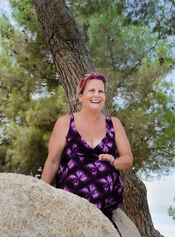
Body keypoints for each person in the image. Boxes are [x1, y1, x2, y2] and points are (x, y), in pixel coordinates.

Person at [41, 72, 133, 236]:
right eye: (91, 91)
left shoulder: (114, 124)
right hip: (72, 188)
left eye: (101, 91)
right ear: (81, 96)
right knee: (77, 165)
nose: (97, 95)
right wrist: (40, 193)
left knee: (103, 168)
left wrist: (113, 162)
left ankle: (93, 224)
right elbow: (53, 162)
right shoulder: (65, 122)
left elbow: (127, 159)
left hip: (106, 189)